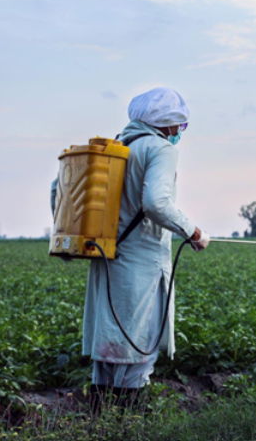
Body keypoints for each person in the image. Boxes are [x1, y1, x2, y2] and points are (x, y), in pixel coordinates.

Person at [50, 87, 209, 408]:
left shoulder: (115, 147)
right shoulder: (161, 148)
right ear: (168, 123)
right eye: (181, 126)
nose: (180, 133)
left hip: (108, 255)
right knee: (140, 340)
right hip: (141, 263)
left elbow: (58, 188)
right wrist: (192, 231)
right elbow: (155, 202)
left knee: (110, 336)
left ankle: (101, 412)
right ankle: (128, 416)